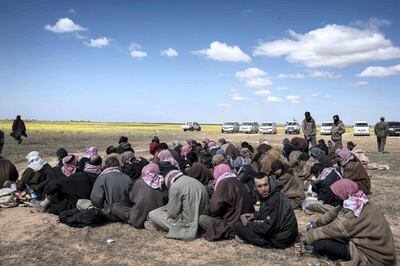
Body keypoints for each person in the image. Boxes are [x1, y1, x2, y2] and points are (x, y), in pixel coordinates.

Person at [302, 179, 396, 265]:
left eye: (337, 194)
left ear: (343, 194)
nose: (335, 197)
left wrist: (308, 237)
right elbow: (332, 213)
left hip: (373, 255)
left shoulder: (354, 212)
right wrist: (316, 223)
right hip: (378, 247)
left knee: (320, 245)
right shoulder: (357, 199)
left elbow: (330, 230)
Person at [234, 173, 298, 248]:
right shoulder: (270, 195)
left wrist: (248, 224)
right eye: (259, 186)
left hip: (282, 239)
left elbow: (267, 228)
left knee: (239, 227)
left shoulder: (275, 199)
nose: (263, 189)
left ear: (270, 184)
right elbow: (268, 213)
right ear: (255, 187)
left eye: (265, 185)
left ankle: (265, 243)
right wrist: (254, 215)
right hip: (285, 234)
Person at [147, 170, 210, 240]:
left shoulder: (175, 187)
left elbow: (173, 213)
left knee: (153, 214)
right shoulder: (195, 181)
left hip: (188, 224)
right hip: (201, 218)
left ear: (169, 180)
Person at [199, 163, 254, 241]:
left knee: (201, 219)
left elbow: (214, 208)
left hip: (232, 225)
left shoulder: (224, 183)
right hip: (244, 221)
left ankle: (227, 233)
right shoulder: (237, 181)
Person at [111, 163, 168, 228]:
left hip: (138, 219)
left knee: (116, 206)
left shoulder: (139, 182)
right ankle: (150, 221)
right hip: (156, 218)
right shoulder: (163, 182)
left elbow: (131, 199)